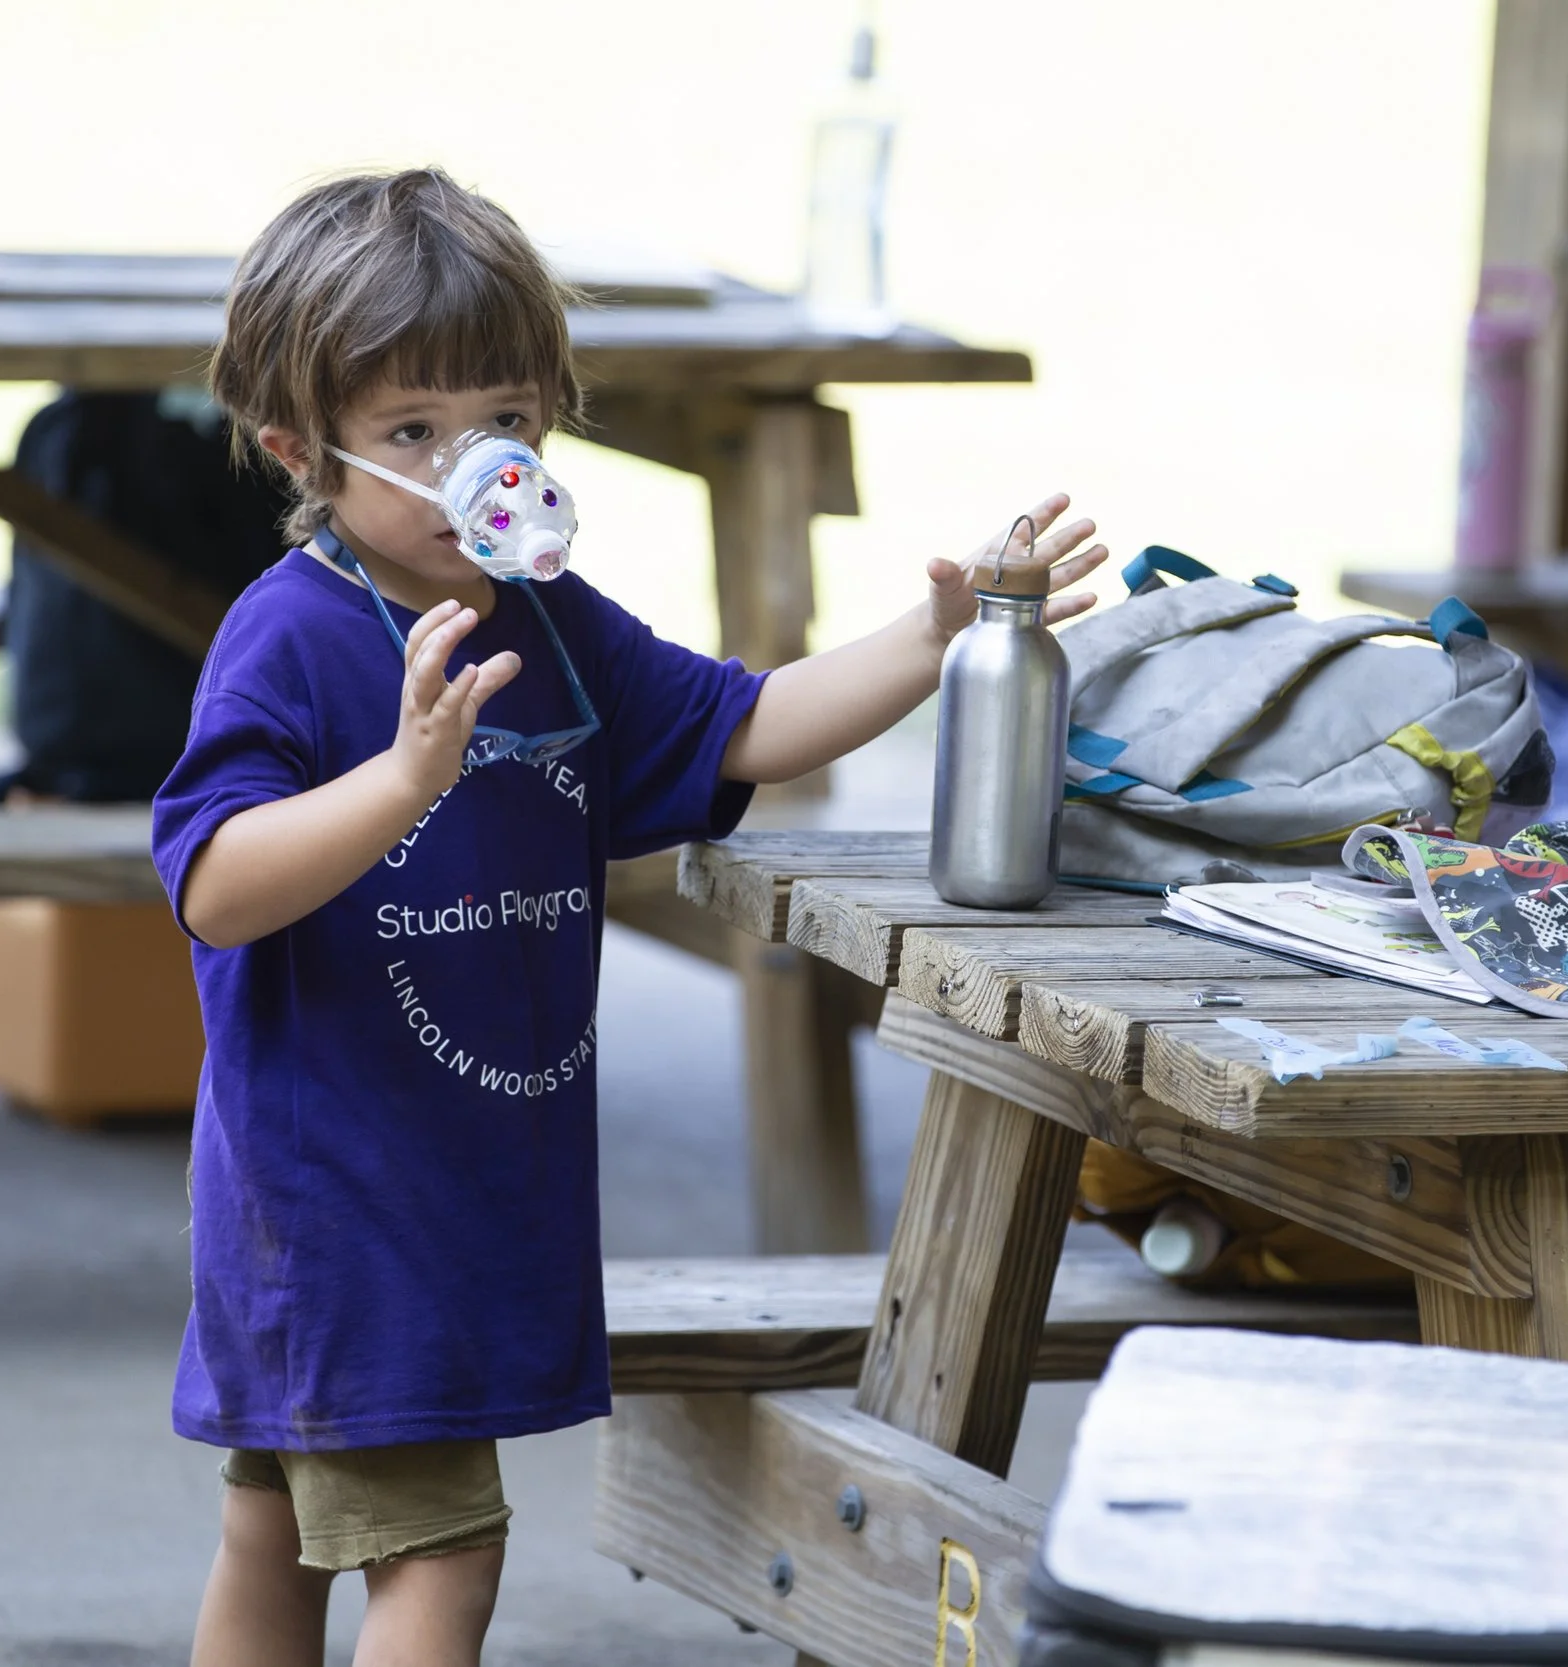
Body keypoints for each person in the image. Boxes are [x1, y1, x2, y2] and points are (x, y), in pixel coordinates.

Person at [156, 167, 1105, 1667]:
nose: (480, 471)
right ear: (302, 450)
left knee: (277, 1533)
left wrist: (937, 635)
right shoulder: (294, 637)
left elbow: (746, 725)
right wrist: (405, 777)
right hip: (344, 1211)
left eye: (510, 425)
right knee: (438, 1554)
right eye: (415, 436)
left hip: (459, 1200)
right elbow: (214, 884)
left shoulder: (550, 620)